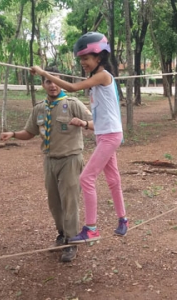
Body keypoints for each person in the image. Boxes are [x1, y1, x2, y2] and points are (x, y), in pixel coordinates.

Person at [30, 31, 128, 243]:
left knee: (86, 178)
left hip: (110, 135)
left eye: (86, 58)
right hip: (103, 134)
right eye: (80, 59)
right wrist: (84, 124)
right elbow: (96, 109)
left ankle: (91, 228)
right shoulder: (95, 79)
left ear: (98, 57)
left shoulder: (102, 76)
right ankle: (123, 219)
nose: (82, 62)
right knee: (113, 179)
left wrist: (43, 73)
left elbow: (72, 87)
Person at [0, 66, 92, 263]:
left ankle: (72, 241)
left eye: (55, 80)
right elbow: (30, 132)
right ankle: (62, 234)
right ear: (42, 84)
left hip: (70, 159)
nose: (52, 85)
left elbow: (96, 123)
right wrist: (13, 134)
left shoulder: (73, 103)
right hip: (49, 161)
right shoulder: (39, 108)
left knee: (70, 202)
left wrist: (83, 124)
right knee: (54, 203)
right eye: (48, 81)